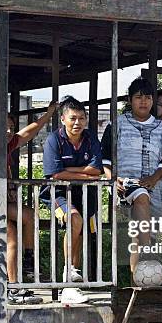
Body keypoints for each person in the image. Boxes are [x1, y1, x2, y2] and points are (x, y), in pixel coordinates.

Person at [0, 101, 57, 304]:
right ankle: (13, 288)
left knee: (29, 215)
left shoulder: (3, 143)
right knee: (10, 235)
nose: (8, 131)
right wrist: (11, 191)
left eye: (11, 128)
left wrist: (48, 115)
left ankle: (28, 263)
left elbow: (28, 133)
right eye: (3, 127)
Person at [101, 78, 162, 274]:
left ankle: (141, 284)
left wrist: (154, 178)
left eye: (148, 97)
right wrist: (112, 179)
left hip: (156, 189)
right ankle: (149, 253)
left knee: (140, 235)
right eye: (138, 97)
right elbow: (105, 157)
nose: (143, 101)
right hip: (125, 186)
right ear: (130, 100)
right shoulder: (116, 124)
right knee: (141, 196)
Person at [41, 96, 102, 304]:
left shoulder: (91, 137)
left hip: (85, 193)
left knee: (82, 231)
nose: (78, 123)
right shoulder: (53, 140)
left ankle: (71, 284)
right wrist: (85, 175)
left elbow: (97, 169)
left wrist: (70, 171)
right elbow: (54, 174)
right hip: (58, 193)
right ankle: (68, 274)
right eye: (73, 118)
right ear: (63, 119)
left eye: (82, 118)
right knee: (74, 220)